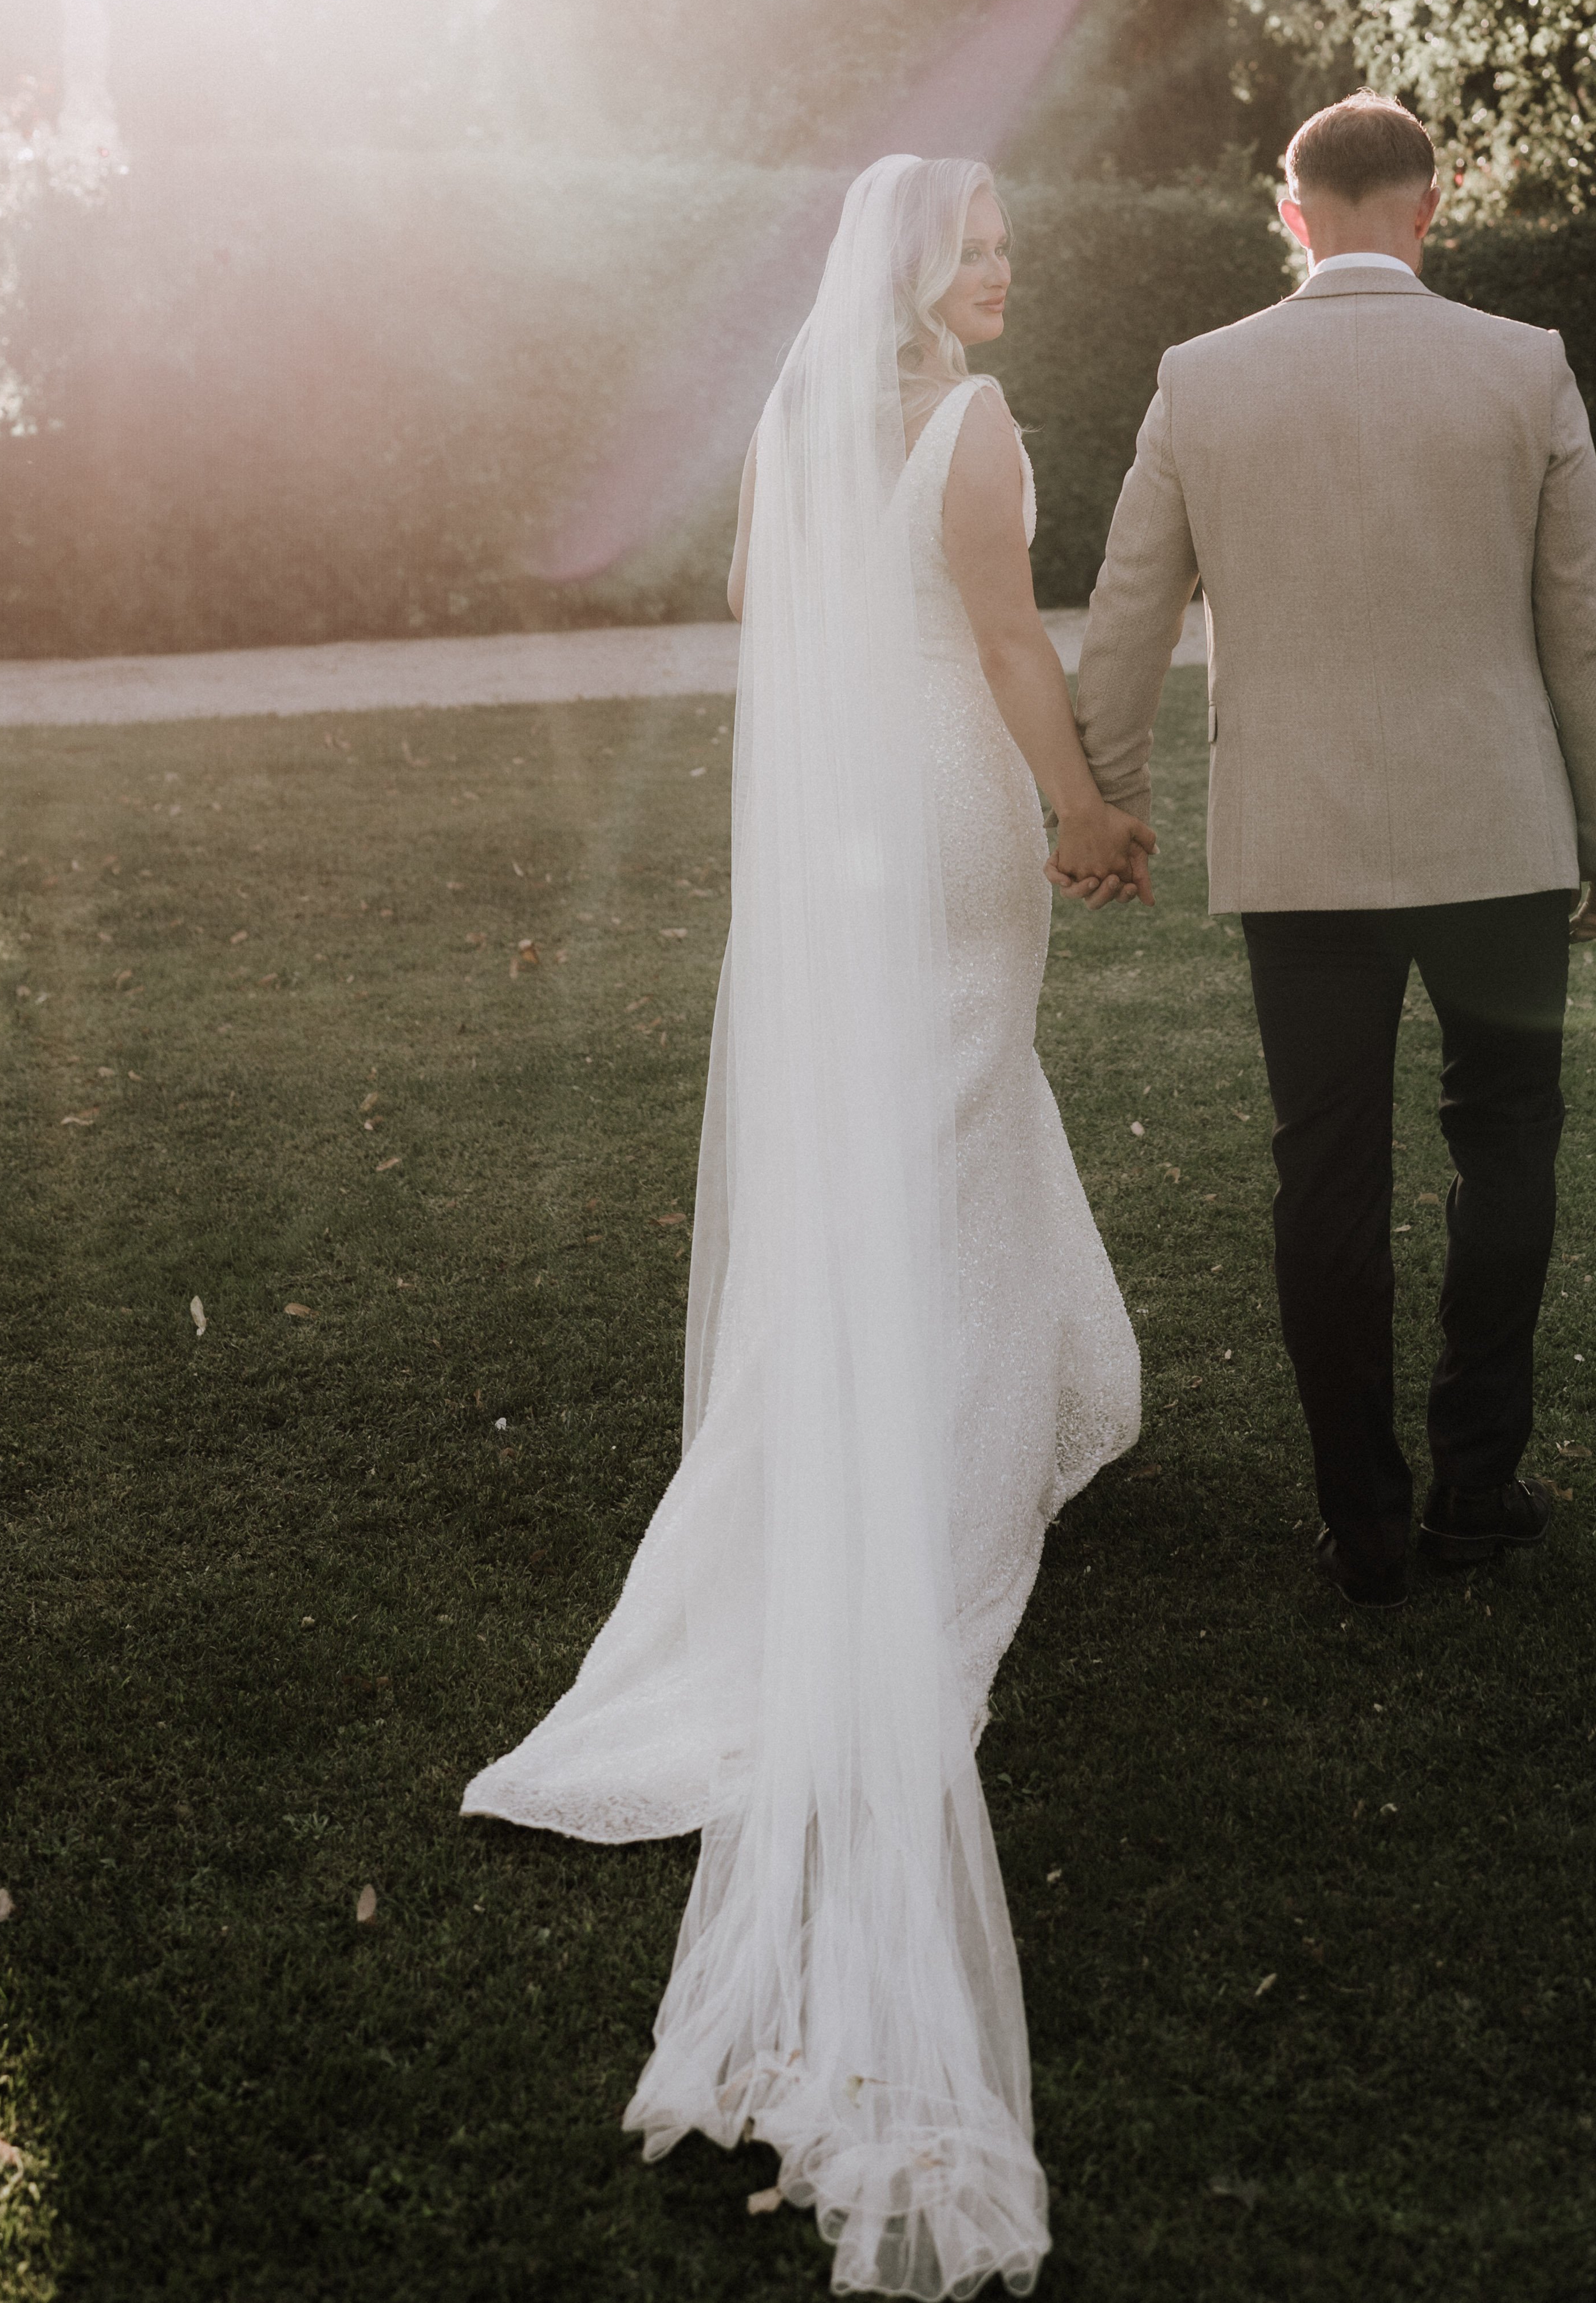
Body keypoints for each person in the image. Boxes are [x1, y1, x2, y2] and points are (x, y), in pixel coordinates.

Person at [463, 156, 1143, 2298]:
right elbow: (1013, 640)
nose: (1003, 273)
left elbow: (778, 614)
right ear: (920, 273)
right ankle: (956, 1456)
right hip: (946, 817)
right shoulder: (976, 426)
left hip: (843, 837)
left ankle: (1043, 1386)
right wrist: (1087, 802)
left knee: (925, 1124)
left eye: (1007, 247)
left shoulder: (799, 423)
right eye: (982, 249)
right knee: (952, 1112)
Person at [1073, 93, 1596, 1610]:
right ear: (1429, 208)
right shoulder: (1524, 368)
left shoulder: (1202, 379)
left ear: (1291, 211)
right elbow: (1583, 624)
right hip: (1498, 826)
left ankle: (1365, 1517)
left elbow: (1128, 609)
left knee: (1324, 1165)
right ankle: (1477, 1481)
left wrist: (1105, 798)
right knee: (1505, 1135)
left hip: (1300, 836)